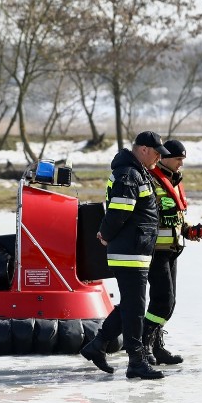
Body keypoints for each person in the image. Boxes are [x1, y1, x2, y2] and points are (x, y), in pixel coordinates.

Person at [80, 131, 167, 379]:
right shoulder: (129, 174)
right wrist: (105, 234)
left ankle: (97, 346)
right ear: (143, 149)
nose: (159, 158)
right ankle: (136, 361)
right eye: (157, 153)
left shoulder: (135, 172)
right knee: (135, 308)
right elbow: (119, 210)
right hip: (129, 251)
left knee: (131, 305)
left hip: (135, 250)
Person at [141, 139, 202, 365]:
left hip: (172, 249)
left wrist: (189, 231)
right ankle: (144, 345)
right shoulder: (151, 179)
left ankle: (156, 347)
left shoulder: (175, 181)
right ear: (164, 157)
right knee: (163, 302)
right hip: (155, 250)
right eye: (178, 159)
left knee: (169, 302)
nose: (181, 164)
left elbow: (177, 217)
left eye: (183, 160)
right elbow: (147, 215)